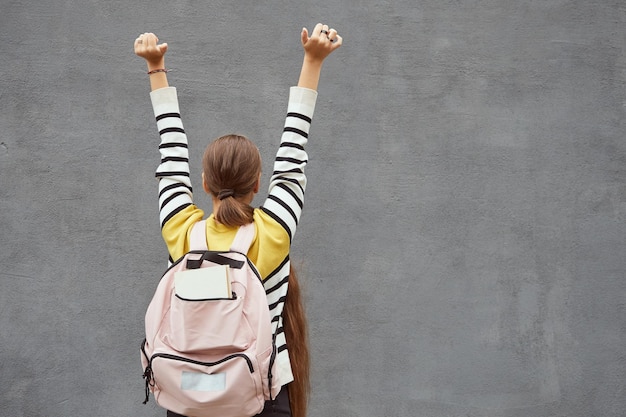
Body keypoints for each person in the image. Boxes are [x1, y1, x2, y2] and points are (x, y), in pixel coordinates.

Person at [134, 23, 342, 417]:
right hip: (260, 398)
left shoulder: (181, 232)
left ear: (205, 182)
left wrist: (155, 67)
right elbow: (293, 152)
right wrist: (313, 60)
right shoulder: (273, 231)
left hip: (186, 396)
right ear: (260, 183)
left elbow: (171, 155)